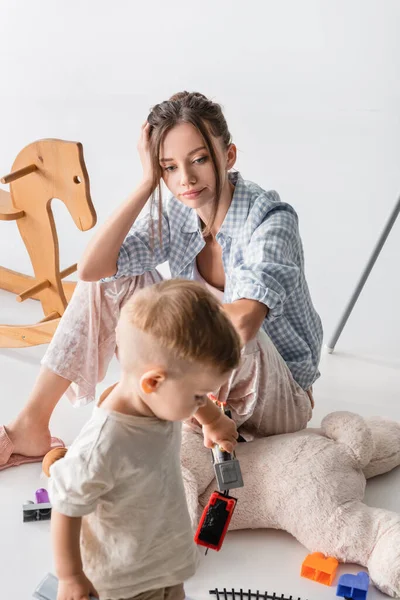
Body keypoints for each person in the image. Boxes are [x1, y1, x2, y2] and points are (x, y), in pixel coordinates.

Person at [0, 90, 323, 473]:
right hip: (204, 383)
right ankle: (31, 425)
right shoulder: (180, 216)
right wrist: (146, 183)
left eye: (199, 160)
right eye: (170, 167)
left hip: (278, 396)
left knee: (229, 322)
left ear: (228, 156)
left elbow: (242, 325)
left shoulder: (271, 221)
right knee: (112, 278)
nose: (185, 179)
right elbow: (92, 270)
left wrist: (152, 361)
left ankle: (160, 403)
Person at [49, 279, 241, 600]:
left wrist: (213, 419)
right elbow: (66, 505)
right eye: (198, 396)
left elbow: (191, 395)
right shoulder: (104, 444)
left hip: (165, 559)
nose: (201, 402)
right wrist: (70, 576)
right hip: (125, 580)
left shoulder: (157, 401)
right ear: (153, 382)